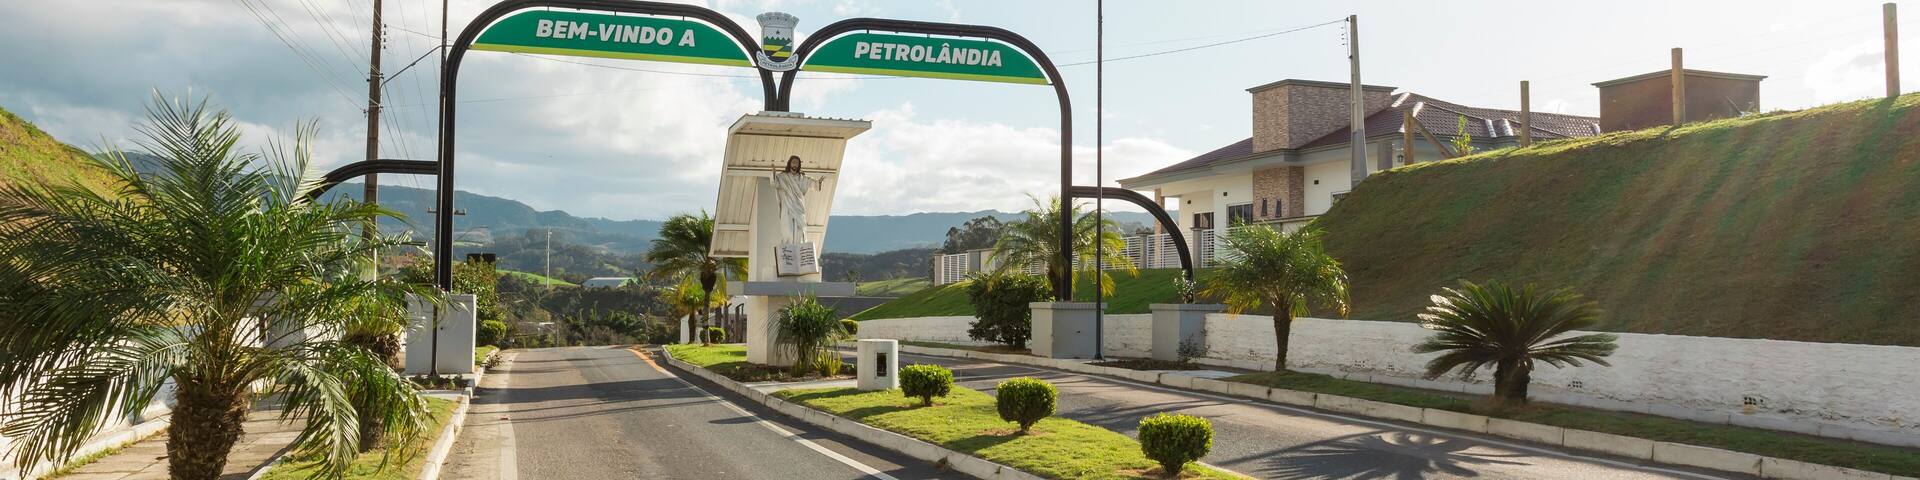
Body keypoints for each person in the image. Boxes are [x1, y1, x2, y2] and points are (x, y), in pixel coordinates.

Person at [770, 155, 819, 245]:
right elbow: (774, 183)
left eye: (797, 163)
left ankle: (799, 251)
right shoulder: (783, 177)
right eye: (793, 162)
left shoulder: (802, 178)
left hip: (798, 208)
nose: (795, 165)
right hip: (787, 208)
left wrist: (819, 183)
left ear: (799, 165)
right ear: (789, 164)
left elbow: (813, 184)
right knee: (788, 231)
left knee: (799, 232)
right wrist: (773, 173)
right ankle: (788, 252)